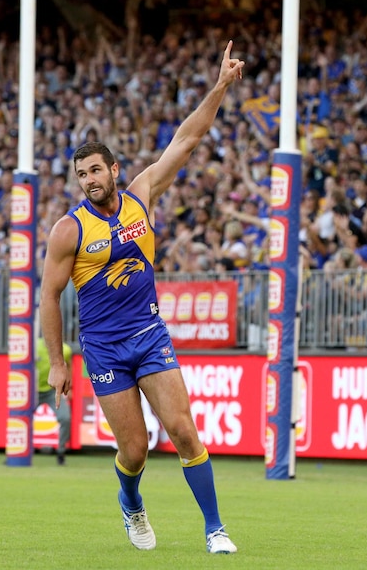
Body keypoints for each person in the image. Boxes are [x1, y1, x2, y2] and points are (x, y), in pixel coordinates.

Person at [39, 41, 243, 555]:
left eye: (95, 171)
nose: (88, 181)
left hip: (149, 336)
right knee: (134, 449)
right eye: (80, 175)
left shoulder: (140, 195)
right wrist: (57, 362)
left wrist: (218, 88)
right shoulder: (69, 230)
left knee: (183, 431)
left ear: (113, 169)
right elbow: (49, 296)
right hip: (104, 348)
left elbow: (188, 139)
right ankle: (131, 504)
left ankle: (215, 529)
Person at [35, 336, 71, 465]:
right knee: (20, 419)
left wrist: (69, 387)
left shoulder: (65, 350)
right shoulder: (34, 347)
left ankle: (61, 453)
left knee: (65, 418)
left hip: (52, 392)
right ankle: (19, 452)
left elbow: (69, 367)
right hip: (33, 391)